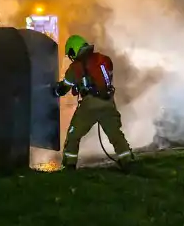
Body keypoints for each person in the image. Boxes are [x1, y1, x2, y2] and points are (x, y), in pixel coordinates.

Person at [54, 34, 134, 170]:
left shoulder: (76, 67)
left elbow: (63, 88)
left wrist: (56, 89)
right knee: (115, 134)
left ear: (74, 50)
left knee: (74, 135)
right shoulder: (103, 59)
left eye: (71, 54)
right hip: (108, 102)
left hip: (90, 105)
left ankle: (69, 166)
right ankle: (127, 161)